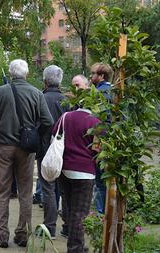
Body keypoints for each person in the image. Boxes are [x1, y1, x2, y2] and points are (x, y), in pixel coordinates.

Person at [0, 59, 53, 248]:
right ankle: (22, 233)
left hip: (3, 147)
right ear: (27, 73)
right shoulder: (36, 93)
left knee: (2, 192)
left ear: (10, 72)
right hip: (26, 149)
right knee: (25, 192)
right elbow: (48, 121)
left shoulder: (0, 92)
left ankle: (1, 235)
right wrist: (33, 134)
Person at [53, 105, 101, 253]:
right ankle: (75, 248)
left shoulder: (65, 116)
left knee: (69, 207)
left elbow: (54, 134)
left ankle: (75, 243)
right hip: (84, 172)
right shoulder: (95, 122)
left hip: (64, 169)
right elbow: (98, 149)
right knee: (80, 213)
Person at [37, 65, 68, 238]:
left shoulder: (41, 98)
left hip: (45, 150)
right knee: (65, 190)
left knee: (48, 189)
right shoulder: (67, 100)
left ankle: (50, 228)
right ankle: (68, 227)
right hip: (64, 151)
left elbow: (38, 124)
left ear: (45, 81)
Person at [89, 63, 113, 214]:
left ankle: (100, 214)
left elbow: (96, 119)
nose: (90, 76)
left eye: (93, 74)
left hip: (100, 139)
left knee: (100, 179)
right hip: (112, 140)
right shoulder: (115, 90)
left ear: (101, 76)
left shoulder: (98, 93)